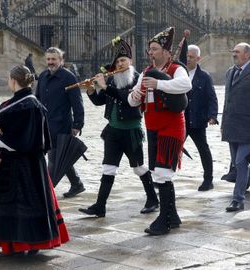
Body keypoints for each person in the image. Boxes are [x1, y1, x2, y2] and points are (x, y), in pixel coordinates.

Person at [0, 65, 69, 257]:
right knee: (16, 208)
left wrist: (0, 142)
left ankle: (28, 244)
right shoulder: (17, 102)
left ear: (13, 81)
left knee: (21, 207)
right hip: (13, 166)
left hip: (24, 168)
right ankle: (16, 246)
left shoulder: (29, 104)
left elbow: (29, 138)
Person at [78, 37, 159, 217]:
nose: (120, 64)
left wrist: (105, 87)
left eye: (123, 60)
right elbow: (101, 101)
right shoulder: (113, 79)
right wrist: (91, 90)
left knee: (138, 167)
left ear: (130, 61)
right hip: (113, 131)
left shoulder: (138, 79)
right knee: (108, 167)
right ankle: (100, 206)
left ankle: (153, 199)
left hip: (131, 131)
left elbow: (127, 99)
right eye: (117, 61)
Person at [128, 27, 192, 235]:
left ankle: (163, 221)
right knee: (159, 173)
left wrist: (159, 83)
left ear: (165, 51)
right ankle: (172, 217)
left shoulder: (175, 68)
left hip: (171, 128)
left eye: (154, 49)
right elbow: (132, 100)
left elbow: (186, 84)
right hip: (152, 128)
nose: (150, 53)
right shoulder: (146, 72)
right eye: (149, 49)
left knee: (163, 174)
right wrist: (135, 96)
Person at [221, 42, 250, 212]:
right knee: (237, 162)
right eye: (233, 51)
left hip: (249, 126)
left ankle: (238, 199)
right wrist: (223, 123)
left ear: (248, 55)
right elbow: (227, 100)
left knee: (241, 161)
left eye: (237, 52)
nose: (234, 54)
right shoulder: (230, 72)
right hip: (232, 125)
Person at [36, 47, 85, 198]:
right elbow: (37, 98)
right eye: (48, 59)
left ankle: (45, 192)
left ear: (61, 60)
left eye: (54, 59)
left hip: (62, 125)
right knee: (61, 156)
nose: (51, 62)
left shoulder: (68, 77)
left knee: (54, 158)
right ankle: (77, 184)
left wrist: (77, 124)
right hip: (46, 124)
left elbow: (77, 103)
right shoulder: (43, 76)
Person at [185, 44, 218, 191]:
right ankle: (165, 178)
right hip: (181, 120)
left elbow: (212, 97)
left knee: (203, 150)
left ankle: (208, 180)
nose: (188, 59)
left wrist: (212, 116)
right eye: (187, 56)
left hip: (198, 120)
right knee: (173, 149)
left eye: (191, 57)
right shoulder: (178, 73)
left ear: (198, 58)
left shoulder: (204, 77)